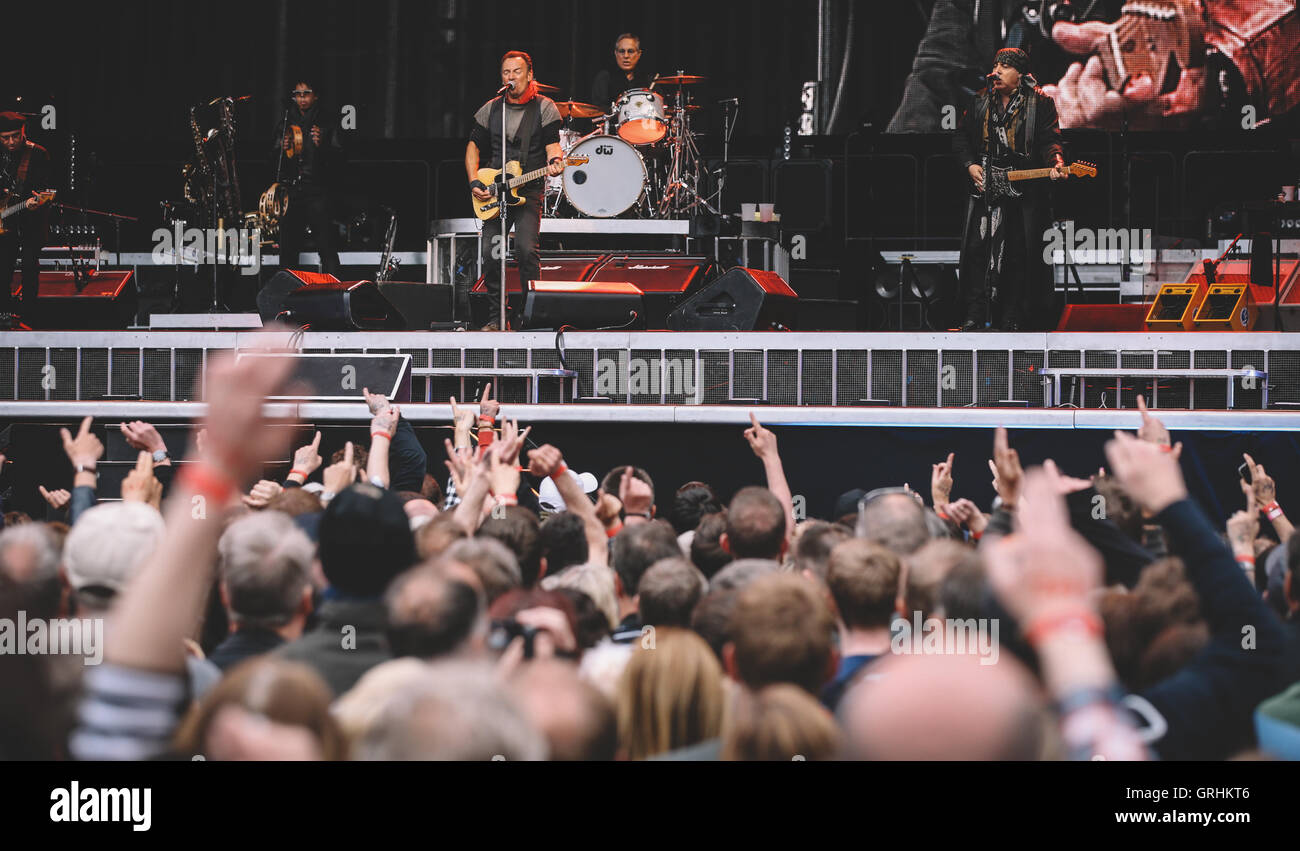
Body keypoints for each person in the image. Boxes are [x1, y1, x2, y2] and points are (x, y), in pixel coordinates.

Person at [953, 47, 1069, 331]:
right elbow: (961, 137)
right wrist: (970, 165)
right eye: (996, 65)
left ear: (1020, 74)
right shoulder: (981, 101)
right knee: (979, 252)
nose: (998, 70)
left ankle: (1013, 315)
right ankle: (975, 313)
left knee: (1018, 254)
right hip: (987, 191)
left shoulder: (1040, 103)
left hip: (1022, 192)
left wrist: (1056, 162)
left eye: (1005, 66)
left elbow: (1049, 140)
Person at [467, 51, 564, 330]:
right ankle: (497, 318)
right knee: (491, 253)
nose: (511, 77)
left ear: (530, 75)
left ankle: (531, 316)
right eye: (506, 72)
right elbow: (473, 147)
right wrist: (474, 180)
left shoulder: (545, 107)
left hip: (529, 189)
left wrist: (556, 161)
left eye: (517, 72)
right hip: (496, 190)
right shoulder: (492, 108)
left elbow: (552, 144)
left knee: (525, 250)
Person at [272, 79, 344, 276]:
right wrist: (281, 148)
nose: (302, 98)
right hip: (292, 192)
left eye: (306, 93)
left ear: (315, 96)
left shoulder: (326, 122)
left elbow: (340, 159)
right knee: (287, 250)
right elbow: (274, 161)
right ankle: (288, 297)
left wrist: (323, 146)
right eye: (298, 94)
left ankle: (334, 294)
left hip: (317, 191)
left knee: (326, 247)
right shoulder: (286, 121)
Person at [0, 111, 55, 329]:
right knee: (3, 268)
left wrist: (37, 200)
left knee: (30, 268)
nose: (11, 141)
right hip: (5, 222)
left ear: (24, 132)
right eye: (5, 137)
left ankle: (29, 317)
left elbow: (46, 188)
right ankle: (3, 315)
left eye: (15, 135)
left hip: (31, 219)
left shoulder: (38, 154)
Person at [591, 33, 654, 112]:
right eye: (622, 51)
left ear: (638, 54)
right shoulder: (604, 77)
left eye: (630, 51)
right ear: (616, 54)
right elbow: (597, 111)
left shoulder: (649, 80)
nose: (626, 56)